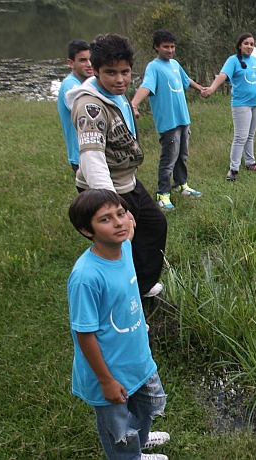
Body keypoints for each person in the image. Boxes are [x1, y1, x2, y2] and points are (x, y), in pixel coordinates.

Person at [67, 189, 170, 460]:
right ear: (86, 230)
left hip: (138, 359)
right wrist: (106, 381)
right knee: (118, 428)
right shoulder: (86, 277)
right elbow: (84, 334)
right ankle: (129, 455)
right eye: (105, 219)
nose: (118, 223)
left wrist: (127, 220)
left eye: (121, 214)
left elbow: (128, 229)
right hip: (109, 371)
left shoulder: (124, 247)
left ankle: (141, 440)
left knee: (147, 405)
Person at [66, 33, 167, 298]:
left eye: (125, 72)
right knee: (118, 246)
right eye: (111, 72)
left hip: (127, 181)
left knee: (154, 226)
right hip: (107, 189)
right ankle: (120, 300)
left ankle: (140, 287)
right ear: (96, 70)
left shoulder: (115, 94)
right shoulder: (90, 107)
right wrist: (113, 208)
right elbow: (92, 158)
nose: (120, 79)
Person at [131, 29, 204, 211]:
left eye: (172, 47)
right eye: (166, 47)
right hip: (168, 121)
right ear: (157, 47)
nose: (170, 50)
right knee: (169, 158)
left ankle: (181, 184)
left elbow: (186, 80)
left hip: (183, 118)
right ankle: (162, 193)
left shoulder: (175, 64)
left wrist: (201, 89)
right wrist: (133, 103)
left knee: (182, 155)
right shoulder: (153, 67)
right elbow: (146, 86)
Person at [201, 33, 256, 181]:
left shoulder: (255, 61)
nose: (249, 46)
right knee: (240, 137)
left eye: (252, 44)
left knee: (250, 135)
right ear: (240, 45)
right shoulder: (233, 60)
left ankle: (250, 163)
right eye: (246, 43)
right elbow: (223, 75)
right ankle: (233, 169)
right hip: (241, 104)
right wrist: (211, 89)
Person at [58, 39, 94, 172]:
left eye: (91, 59)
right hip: (82, 157)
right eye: (83, 60)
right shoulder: (71, 85)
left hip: (95, 154)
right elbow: (87, 111)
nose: (89, 64)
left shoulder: (90, 83)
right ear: (70, 63)